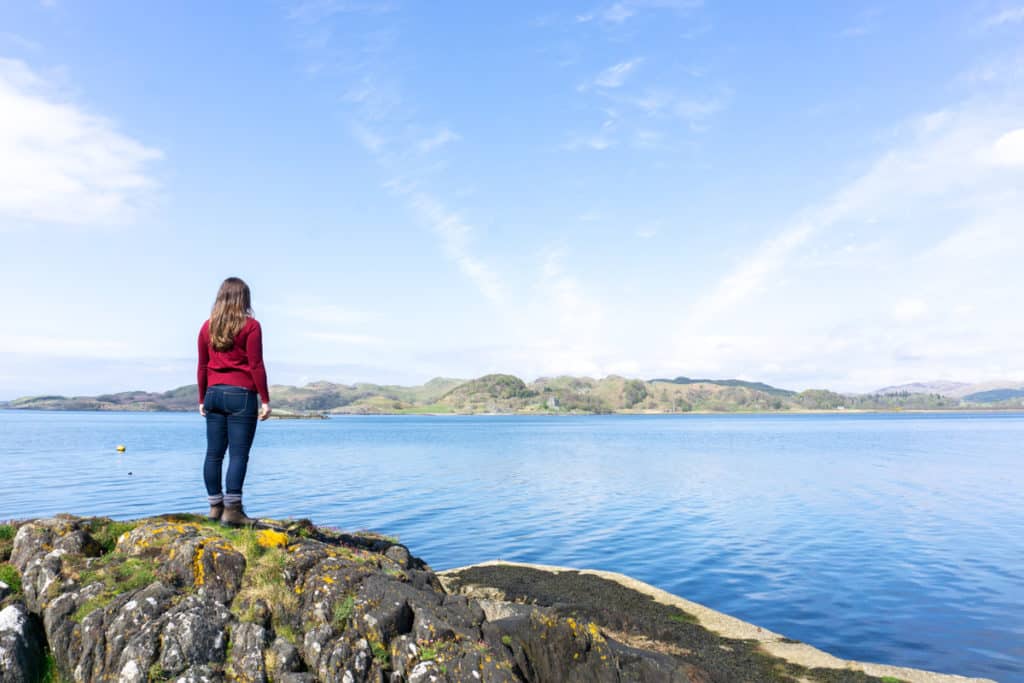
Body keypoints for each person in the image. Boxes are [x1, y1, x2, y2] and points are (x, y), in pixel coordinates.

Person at [197, 277, 271, 526]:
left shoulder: (207, 327)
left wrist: (201, 398)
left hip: (213, 394)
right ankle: (233, 511)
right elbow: (256, 365)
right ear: (244, 299)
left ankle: (215, 508)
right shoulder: (251, 326)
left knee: (213, 454)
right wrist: (265, 399)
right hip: (241, 395)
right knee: (238, 455)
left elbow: (202, 366)